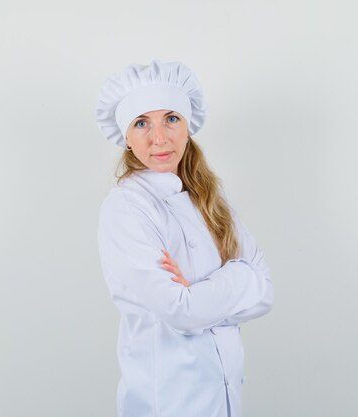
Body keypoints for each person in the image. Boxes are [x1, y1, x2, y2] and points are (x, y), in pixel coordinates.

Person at [96, 60, 273, 417]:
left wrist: (195, 294)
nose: (159, 138)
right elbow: (178, 310)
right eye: (142, 123)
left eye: (171, 119)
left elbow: (265, 291)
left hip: (225, 399)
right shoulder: (127, 206)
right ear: (126, 138)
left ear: (188, 127)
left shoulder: (209, 199)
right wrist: (237, 278)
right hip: (167, 401)